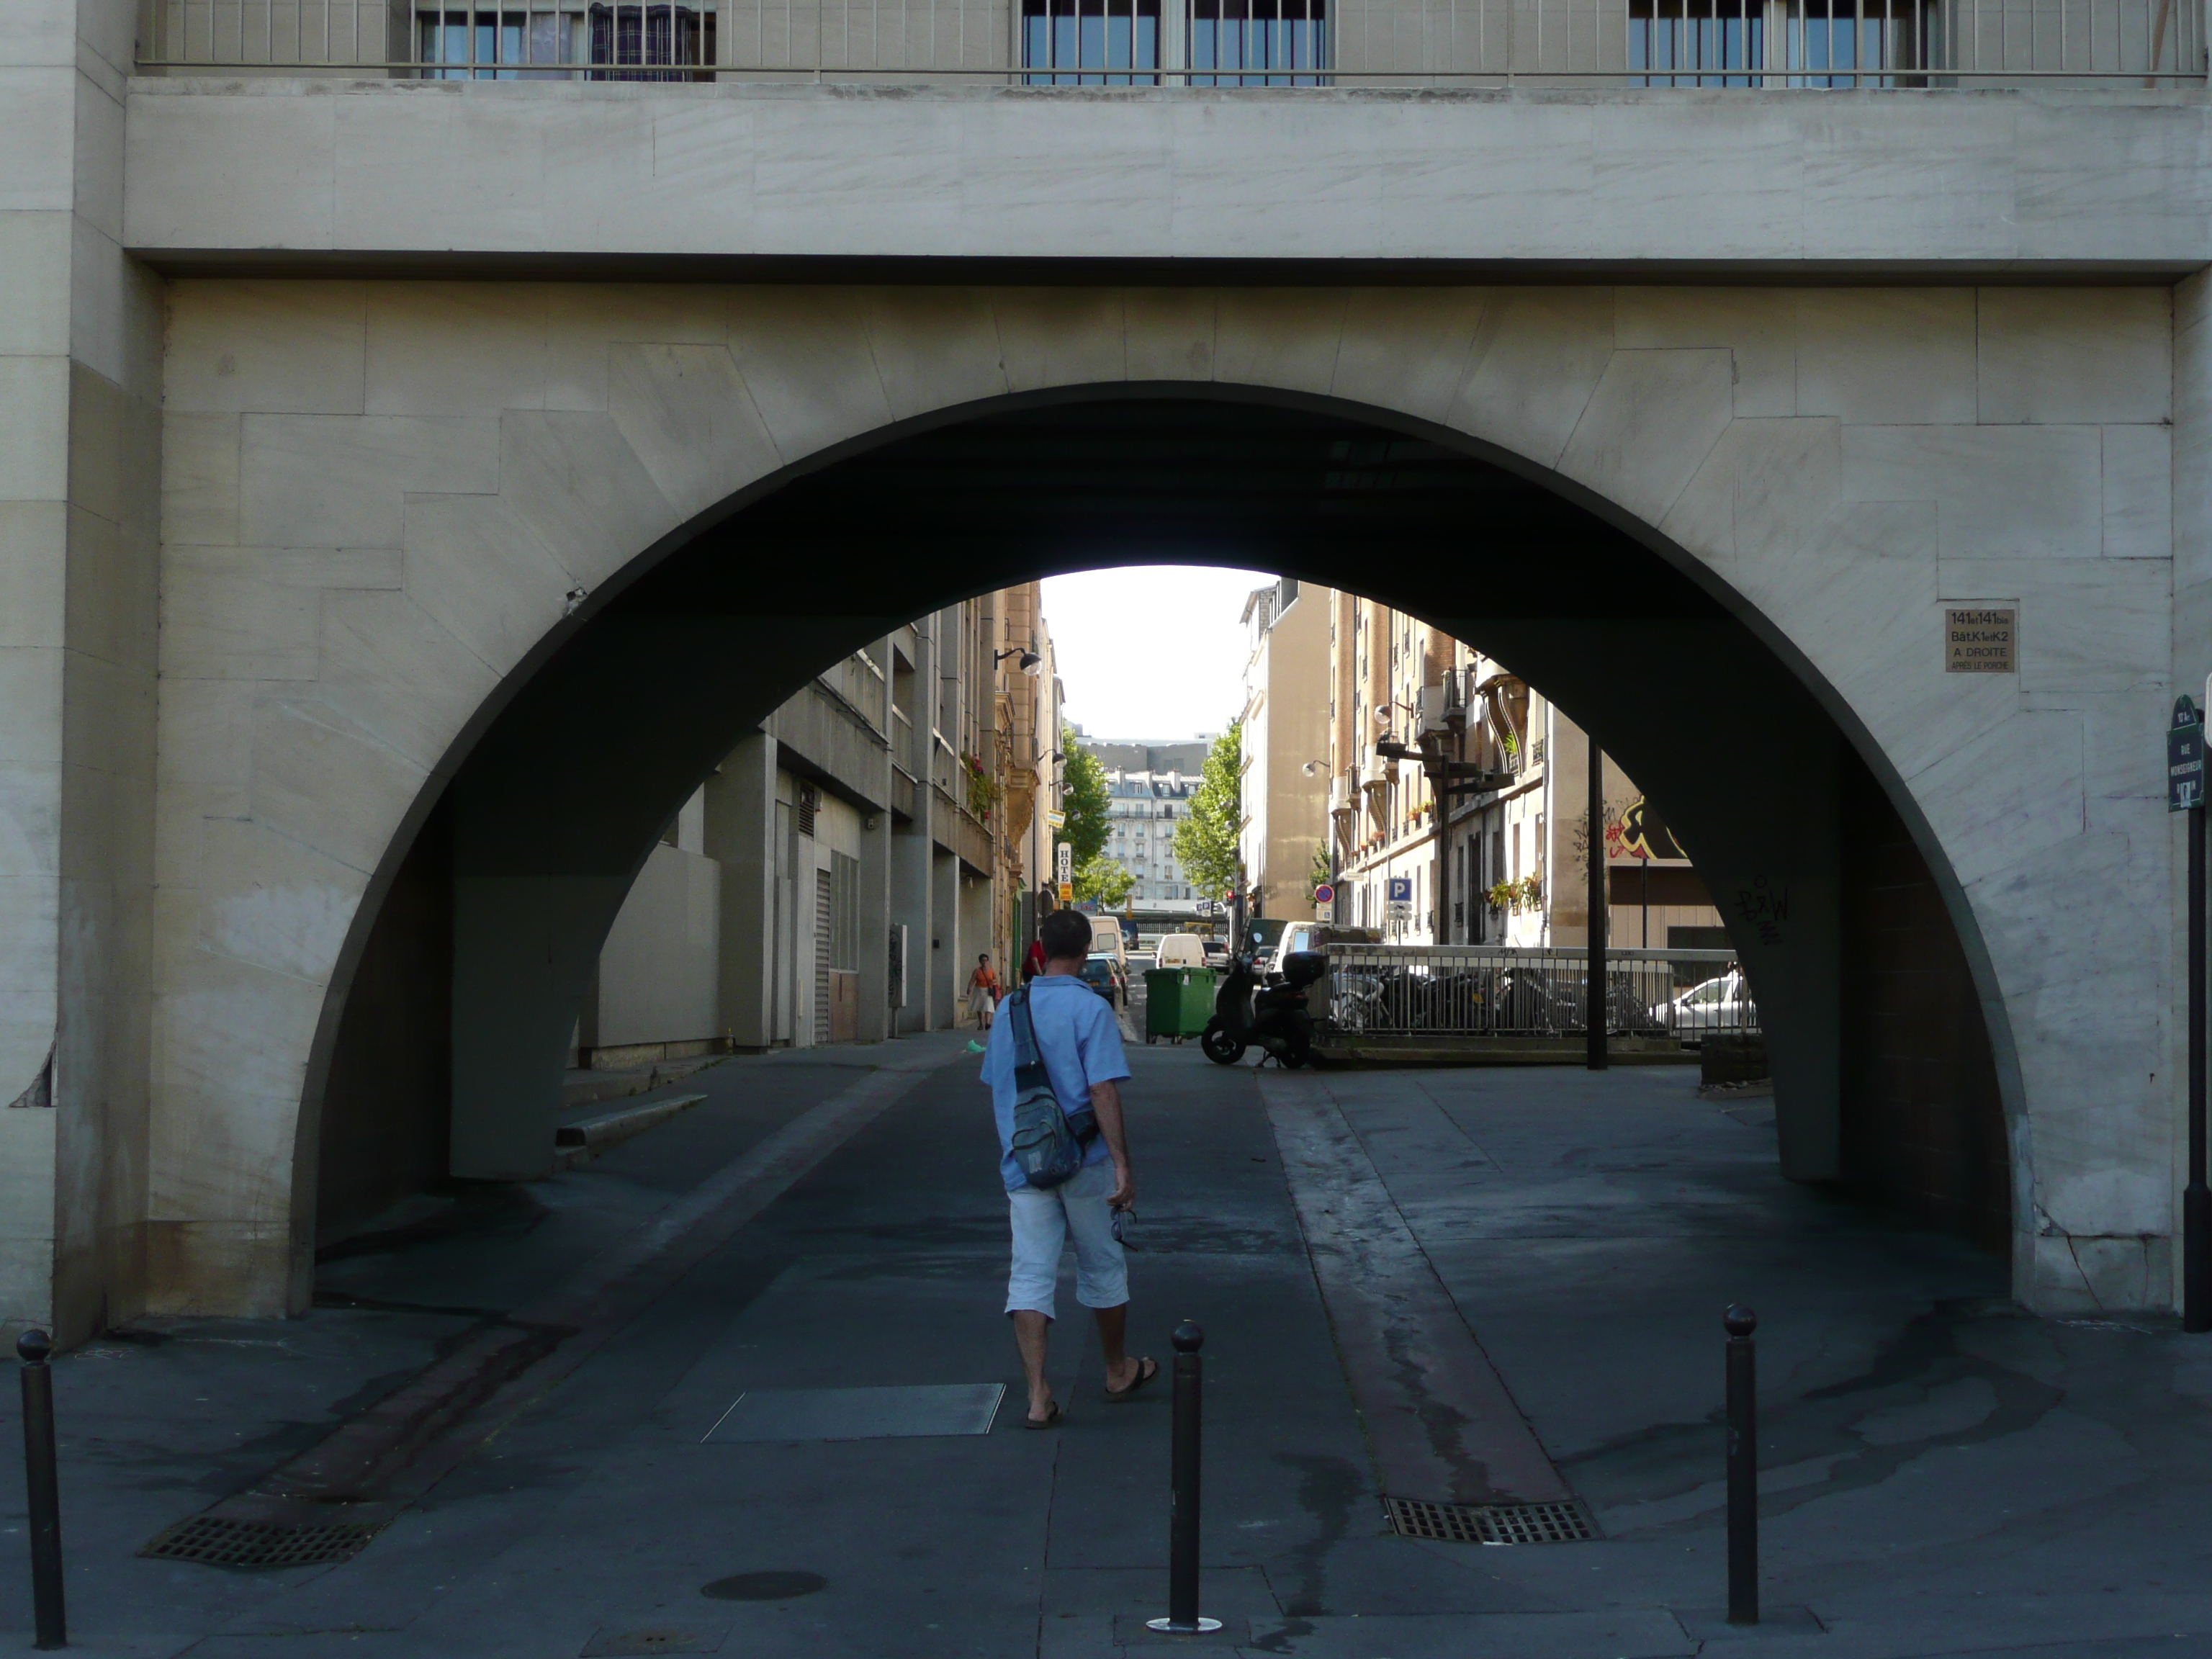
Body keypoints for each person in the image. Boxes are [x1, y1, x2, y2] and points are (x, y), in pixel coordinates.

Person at [981, 907, 1154, 1428]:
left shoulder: (1011, 1007)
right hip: (1084, 1161)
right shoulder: (1091, 1009)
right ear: (1085, 952)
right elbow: (1101, 1089)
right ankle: (1117, 1369)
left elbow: (999, 1086)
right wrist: (1123, 1165)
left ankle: (1037, 1396)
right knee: (1103, 1264)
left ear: (1040, 947)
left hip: (1025, 1164)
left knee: (1030, 1272)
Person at [966, 953, 1001, 1030]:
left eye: (986, 960)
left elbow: (996, 979)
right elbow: (972, 980)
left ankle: (987, 1023)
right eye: (983, 961)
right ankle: (981, 1023)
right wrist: (969, 988)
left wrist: (993, 981)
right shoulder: (977, 971)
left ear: (988, 961)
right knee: (979, 1007)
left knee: (988, 1007)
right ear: (980, 962)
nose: (984, 962)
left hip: (988, 990)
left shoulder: (991, 970)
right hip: (979, 990)